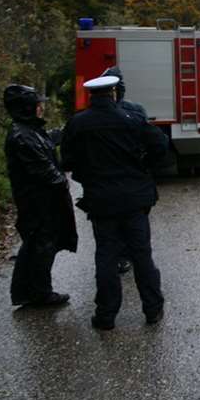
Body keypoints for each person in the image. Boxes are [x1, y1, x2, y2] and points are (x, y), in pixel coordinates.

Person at [60, 75, 169, 330]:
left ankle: (106, 315)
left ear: (90, 96)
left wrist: (87, 171)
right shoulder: (132, 120)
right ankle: (152, 309)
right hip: (134, 199)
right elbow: (160, 146)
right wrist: (143, 167)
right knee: (142, 254)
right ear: (113, 94)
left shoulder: (77, 124)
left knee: (106, 256)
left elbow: (66, 162)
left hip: (101, 201)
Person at [3, 85, 77, 307]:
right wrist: (64, 180)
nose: (41, 108)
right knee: (40, 246)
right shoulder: (22, 136)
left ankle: (29, 292)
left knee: (38, 245)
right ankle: (40, 293)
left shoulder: (29, 131)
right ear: (26, 108)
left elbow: (49, 139)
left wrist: (70, 128)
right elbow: (46, 173)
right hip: (37, 203)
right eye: (37, 105)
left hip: (39, 201)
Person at [101, 66, 147, 275]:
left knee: (107, 237)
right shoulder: (135, 112)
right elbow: (156, 145)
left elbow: (71, 158)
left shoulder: (83, 120)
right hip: (134, 186)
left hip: (101, 189)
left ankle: (117, 261)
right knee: (138, 235)